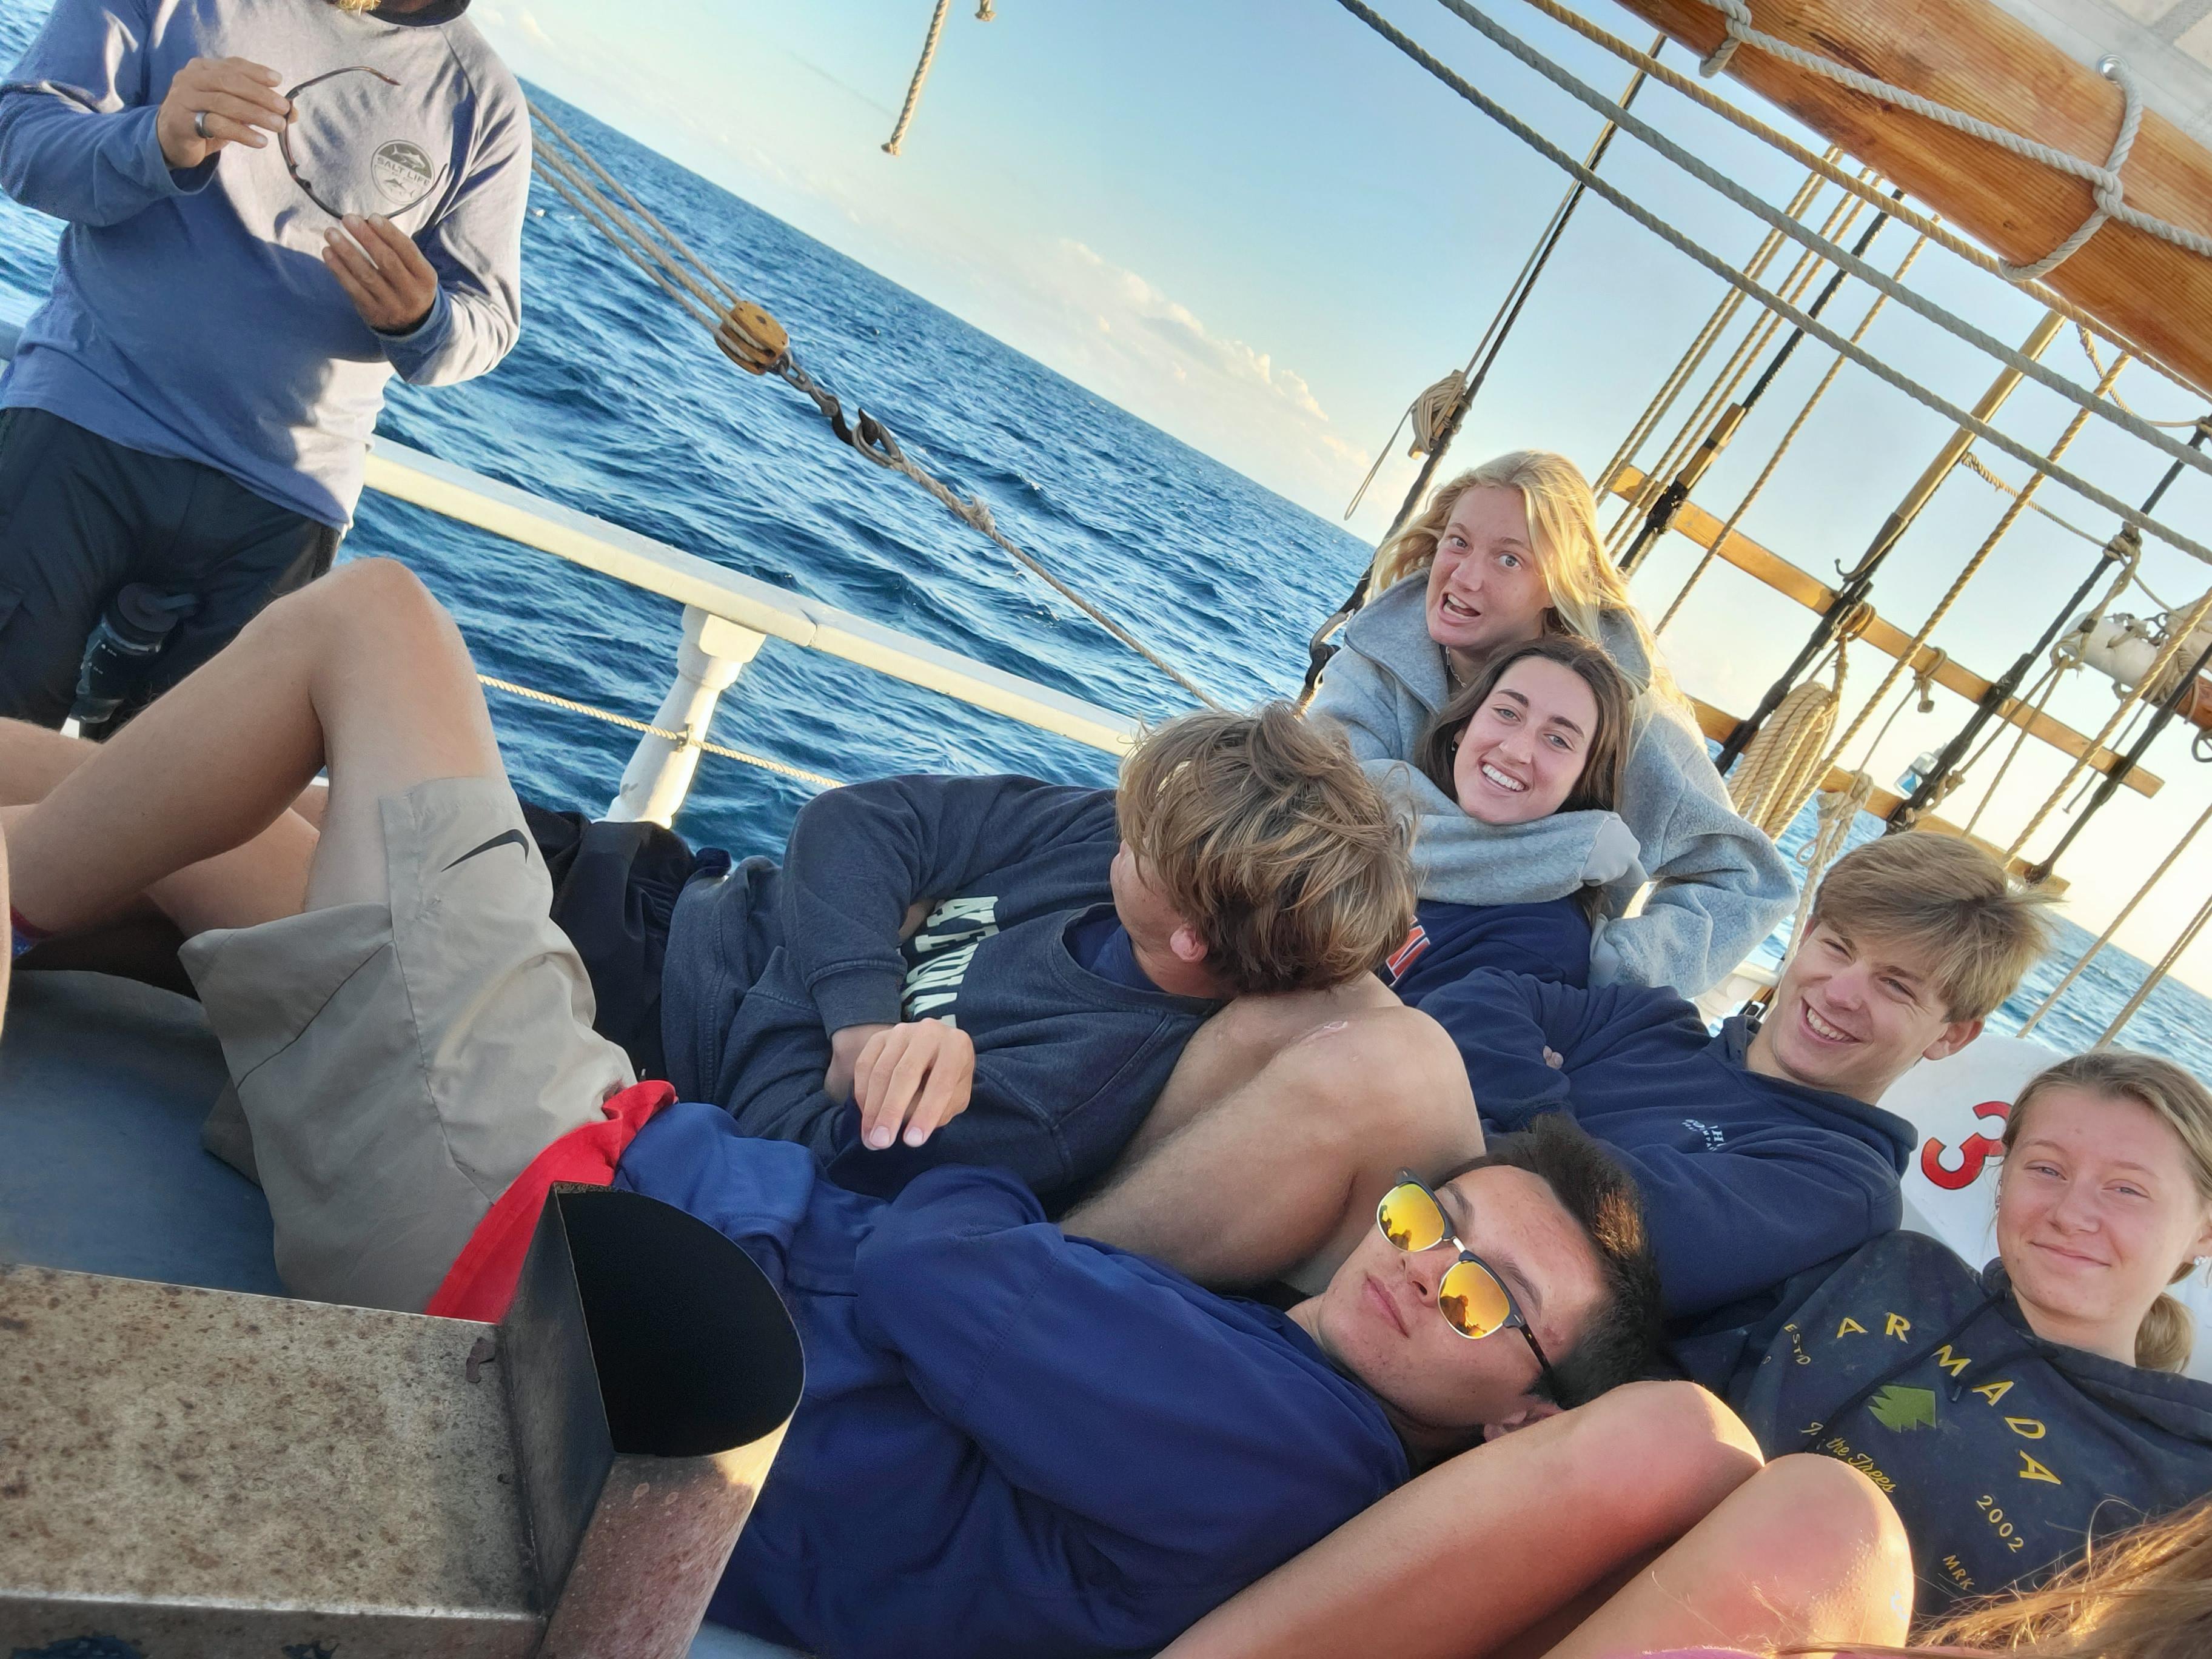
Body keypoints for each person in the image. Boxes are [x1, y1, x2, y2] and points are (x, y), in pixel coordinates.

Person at [0, 559, 1672, 1659]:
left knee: (370, 628)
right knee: (162, 812)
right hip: (596, 1172)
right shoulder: (1257, 1378)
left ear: (1514, 1420)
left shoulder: (1275, 1438)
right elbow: (862, 842)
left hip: (555, 1239)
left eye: (1476, 1296)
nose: (1407, 1258)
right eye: (1420, 1220)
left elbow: (930, 1265)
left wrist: (992, 1201)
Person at [1065, 831, 2055, 1319]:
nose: (1839, 992)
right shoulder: (1652, 1021)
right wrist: (1552, 1126)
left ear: (1948, 1037)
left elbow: (1611, 1226)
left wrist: (1531, 1107)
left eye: (1893, 987)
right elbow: (1480, 996)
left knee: (1395, 1051)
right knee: (1328, 996)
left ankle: (1058, 1265)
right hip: (1403, 1217)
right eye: (1835, 946)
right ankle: (1075, 1209)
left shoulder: (1840, 1181)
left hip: (1484, 1311)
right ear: (1801, 937)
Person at [655, 696, 1416, 1208]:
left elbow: (783, 1155)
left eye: (1146, 839)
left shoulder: (1056, 1097)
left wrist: (834, 937)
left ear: (1192, 936)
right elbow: (857, 821)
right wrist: (858, 1024)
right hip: (685, 888)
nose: (1129, 821)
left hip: (665, 1035)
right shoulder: (1122, 846)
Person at [0, 0, 529, 726]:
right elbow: (22, 143)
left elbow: (487, 324)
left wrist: (420, 320)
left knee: (163, 824)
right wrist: (152, 140)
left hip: (282, 502)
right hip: (85, 421)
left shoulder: (485, 101)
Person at [1673, 1048, 2212, 1616]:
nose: (2070, 1213)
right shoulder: (1888, 1270)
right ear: (2004, 1178)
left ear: (2204, 1231)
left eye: (2127, 1189)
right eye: (2046, 1170)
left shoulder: (2184, 1483)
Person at [1309, 449, 1793, 997]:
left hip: (1493, 994)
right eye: (1459, 541)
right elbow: (1334, 813)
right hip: (1332, 947)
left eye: (1509, 559)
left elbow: (1749, 884)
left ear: (1559, 585)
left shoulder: (1628, 725)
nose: (1466, 576)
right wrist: (1567, 853)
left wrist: (1616, 968)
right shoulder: (1379, 653)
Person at [1380, 632, 1637, 997]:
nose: (1516, 750)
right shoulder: (1378, 804)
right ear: (1464, 724)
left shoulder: (1538, 945)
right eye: (1507, 713)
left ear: (1583, 780)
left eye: (1558, 739)